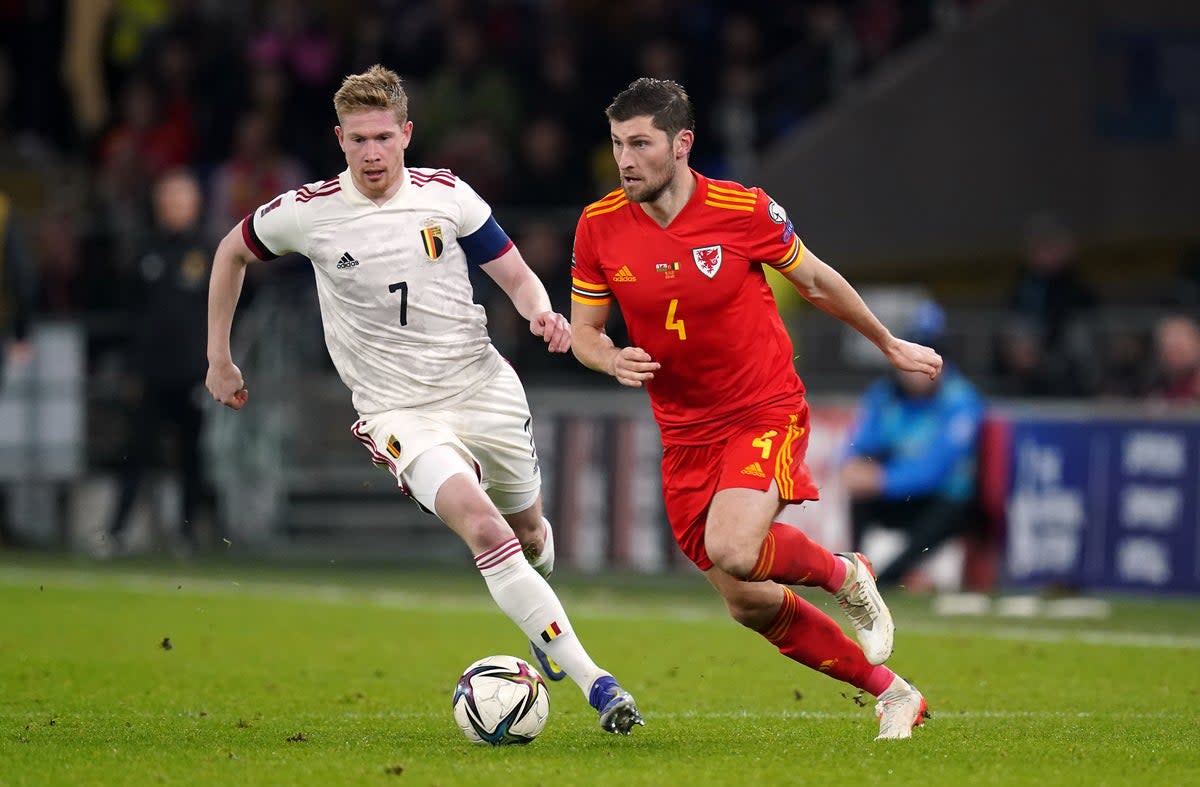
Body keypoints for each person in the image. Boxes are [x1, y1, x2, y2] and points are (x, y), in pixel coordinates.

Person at [205, 65, 643, 735]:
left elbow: (515, 271)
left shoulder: (449, 196)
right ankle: (599, 683)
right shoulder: (308, 211)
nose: (372, 153)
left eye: (383, 137)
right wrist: (220, 357)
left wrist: (539, 312)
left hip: (481, 386)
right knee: (485, 526)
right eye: (358, 140)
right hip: (398, 411)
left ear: (406, 133)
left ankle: (539, 620)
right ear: (340, 140)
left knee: (529, 534)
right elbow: (229, 253)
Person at [569, 78, 939, 740]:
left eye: (641, 144)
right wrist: (609, 358)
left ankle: (845, 573)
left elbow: (817, 280)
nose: (626, 160)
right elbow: (585, 332)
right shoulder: (598, 227)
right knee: (746, 600)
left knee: (735, 547)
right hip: (683, 432)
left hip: (761, 407)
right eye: (618, 143)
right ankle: (893, 693)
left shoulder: (741, 209)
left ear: (681, 144)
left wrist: (886, 341)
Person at [101, 169, 214, 557]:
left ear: (195, 204)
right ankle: (116, 533)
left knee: (191, 457)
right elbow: (130, 315)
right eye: (168, 200)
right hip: (149, 372)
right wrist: (130, 368)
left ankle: (187, 535)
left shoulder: (210, 251)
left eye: (181, 200)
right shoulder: (143, 251)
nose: (174, 207)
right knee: (135, 453)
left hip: (193, 374)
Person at [839, 300, 987, 587]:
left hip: (943, 501)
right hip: (901, 496)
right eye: (914, 350)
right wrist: (853, 466)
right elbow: (859, 443)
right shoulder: (884, 394)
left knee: (953, 504)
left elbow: (936, 469)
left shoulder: (961, 401)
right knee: (858, 491)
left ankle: (887, 581)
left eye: (930, 351)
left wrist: (881, 480)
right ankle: (854, 573)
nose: (918, 365)